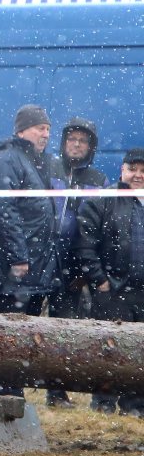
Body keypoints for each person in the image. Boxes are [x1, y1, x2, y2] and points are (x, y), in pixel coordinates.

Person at [76, 148, 144, 417]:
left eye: (143, 170)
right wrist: (100, 280)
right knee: (109, 349)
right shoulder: (104, 200)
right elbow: (84, 243)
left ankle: (135, 406)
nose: (138, 175)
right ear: (122, 170)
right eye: (133, 169)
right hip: (112, 291)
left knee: (140, 351)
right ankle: (103, 404)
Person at [44, 117, 107, 407]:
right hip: (44, 260)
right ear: (64, 142)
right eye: (72, 139)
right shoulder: (49, 169)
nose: (77, 145)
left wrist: (85, 271)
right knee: (29, 324)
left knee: (62, 329)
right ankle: (15, 384)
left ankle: (57, 392)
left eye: (83, 141)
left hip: (73, 267)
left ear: (90, 147)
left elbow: (99, 230)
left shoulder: (98, 180)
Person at [0, 105, 58, 314]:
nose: (46, 135)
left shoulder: (33, 161)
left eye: (48, 129)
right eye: (40, 128)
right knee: (6, 337)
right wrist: (18, 257)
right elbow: (2, 210)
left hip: (30, 273)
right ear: (21, 131)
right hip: (11, 272)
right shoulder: (6, 159)